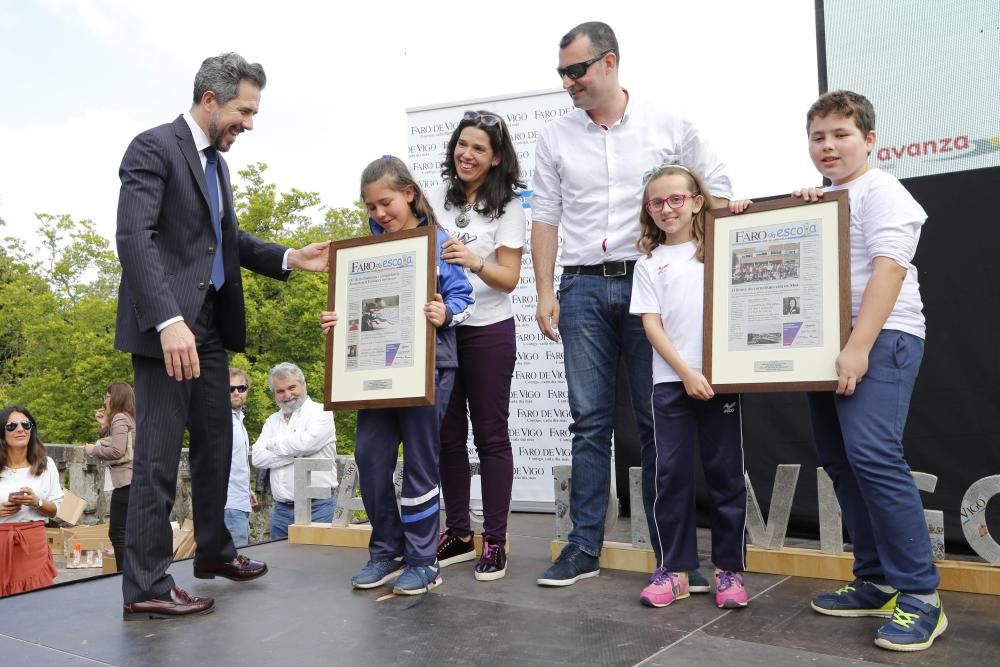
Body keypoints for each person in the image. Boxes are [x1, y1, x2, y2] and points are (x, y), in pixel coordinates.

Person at [114, 52, 331, 620]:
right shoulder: (152, 147)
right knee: (158, 460)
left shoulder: (218, 167)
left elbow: (227, 241)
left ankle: (214, 552)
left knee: (218, 445)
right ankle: (146, 587)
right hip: (166, 331)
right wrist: (167, 321)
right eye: (243, 110)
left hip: (209, 329)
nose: (249, 124)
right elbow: (134, 237)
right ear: (209, 100)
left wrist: (288, 256)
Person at [531, 21, 732, 588]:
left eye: (576, 70)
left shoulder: (669, 123)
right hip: (582, 288)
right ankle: (582, 547)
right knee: (589, 423)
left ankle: (669, 556)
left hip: (653, 283)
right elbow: (545, 214)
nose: (568, 82)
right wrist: (545, 291)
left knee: (655, 421)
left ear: (610, 63)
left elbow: (714, 186)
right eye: (562, 73)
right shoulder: (555, 137)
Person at [794, 90, 943, 652]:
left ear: (870, 140)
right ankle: (876, 578)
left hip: (882, 340)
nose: (828, 146)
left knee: (874, 457)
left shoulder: (884, 192)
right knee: (842, 461)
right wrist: (804, 210)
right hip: (826, 343)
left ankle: (921, 597)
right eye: (818, 137)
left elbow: (889, 271)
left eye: (841, 134)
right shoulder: (828, 198)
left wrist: (858, 347)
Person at [321, 155, 474, 595]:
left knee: (420, 467)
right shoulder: (364, 253)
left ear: (409, 193)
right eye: (370, 207)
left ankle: (424, 560)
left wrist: (446, 312)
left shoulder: (438, 242)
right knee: (370, 458)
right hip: (371, 374)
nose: (379, 213)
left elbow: (465, 300)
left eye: (385, 202)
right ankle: (386, 550)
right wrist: (337, 320)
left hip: (428, 370)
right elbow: (356, 311)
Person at [629, 163, 752, 609]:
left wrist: (738, 211)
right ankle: (674, 570)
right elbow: (652, 327)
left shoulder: (718, 248)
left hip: (721, 382)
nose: (667, 208)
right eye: (657, 202)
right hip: (672, 383)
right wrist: (686, 373)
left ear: (697, 201)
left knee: (725, 475)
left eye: (676, 199)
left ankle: (729, 571)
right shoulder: (649, 263)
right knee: (671, 477)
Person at [431, 110, 526, 581]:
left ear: (494, 160)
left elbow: (509, 279)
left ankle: (495, 539)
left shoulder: (508, 205)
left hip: (489, 329)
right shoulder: (434, 199)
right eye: (462, 145)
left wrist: (473, 260)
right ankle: (459, 533)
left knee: (490, 436)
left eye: (479, 149)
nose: (467, 155)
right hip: (444, 330)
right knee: (447, 437)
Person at [251, 363, 336, 539]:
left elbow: (306, 445)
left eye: (292, 387)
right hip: (281, 511)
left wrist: (273, 444)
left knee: (317, 562)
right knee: (281, 565)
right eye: (280, 391)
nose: (287, 395)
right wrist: (297, 454)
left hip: (318, 507)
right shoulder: (272, 420)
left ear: (303, 385)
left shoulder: (322, 412)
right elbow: (257, 458)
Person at [0, 406, 63, 596]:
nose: (20, 429)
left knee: (35, 605)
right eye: (11, 426)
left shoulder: (46, 464)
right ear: (2, 432)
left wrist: (37, 502)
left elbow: (56, 510)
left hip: (33, 546)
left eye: (25, 424)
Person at [85, 382, 136, 572]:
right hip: (134, 481)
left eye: (106, 396)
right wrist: (104, 424)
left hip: (126, 482)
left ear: (115, 397)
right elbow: (120, 441)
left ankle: (123, 576)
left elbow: (117, 450)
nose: (105, 400)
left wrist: (93, 450)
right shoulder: (129, 417)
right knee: (127, 533)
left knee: (117, 533)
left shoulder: (120, 418)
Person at [224, 368, 255, 548]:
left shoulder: (238, 421)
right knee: (235, 558)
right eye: (230, 388)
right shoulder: (222, 421)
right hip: (229, 503)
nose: (236, 392)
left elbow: (237, 462)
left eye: (241, 388)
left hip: (239, 500)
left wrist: (248, 491)